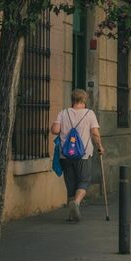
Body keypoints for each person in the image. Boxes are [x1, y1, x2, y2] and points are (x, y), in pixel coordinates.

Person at [50, 89, 104, 222]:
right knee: (84, 181)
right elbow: (95, 133)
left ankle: (71, 214)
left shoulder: (63, 113)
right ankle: (77, 203)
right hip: (83, 155)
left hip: (66, 155)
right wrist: (100, 147)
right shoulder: (89, 114)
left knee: (71, 184)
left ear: (72, 100)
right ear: (84, 100)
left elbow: (55, 130)